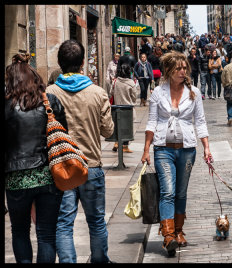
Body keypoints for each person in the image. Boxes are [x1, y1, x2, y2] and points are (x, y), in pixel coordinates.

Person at [46, 39, 114, 263]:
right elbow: (108, 131)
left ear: (60, 63)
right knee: (96, 221)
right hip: (91, 165)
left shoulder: (48, 92)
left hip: (61, 168)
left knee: (63, 223)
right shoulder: (98, 92)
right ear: (83, 62)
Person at [141, 51, 212, 257]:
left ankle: (179, 231)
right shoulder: (157, 93)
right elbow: (152, 122)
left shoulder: (194, 92)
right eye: (178, 68)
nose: (183, 72)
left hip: (187, 149)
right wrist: (146, 149)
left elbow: (200, 121)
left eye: (184, 68)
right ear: (169, 71)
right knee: (168, 192)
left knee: (180, 192)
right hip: (163, 149)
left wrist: (206, 147)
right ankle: (168, 236)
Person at [5, 53, 66, 263]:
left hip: (16, 178)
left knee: (20, 231)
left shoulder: (7, 105)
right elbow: (63, 135)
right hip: (48, 175)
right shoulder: (50, 102)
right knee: (46, 233)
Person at [110, 63, 139, 153]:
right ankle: (125, 146)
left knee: (117, 126)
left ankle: (116, 142)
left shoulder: (115, 81)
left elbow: (111, 92)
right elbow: (134, 96)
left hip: (116, 107)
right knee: (127, 128)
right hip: (128, 108)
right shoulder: (131, 83)